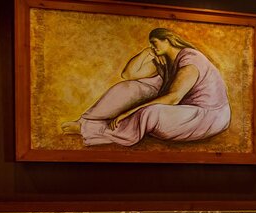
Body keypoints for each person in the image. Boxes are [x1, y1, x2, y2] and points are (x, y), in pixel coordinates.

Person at [61, 28, 230, 146]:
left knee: (150, 112)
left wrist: (128, 112)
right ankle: (86, 120)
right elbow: (128, 75)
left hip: (208, 117)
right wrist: (145, 53)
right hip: (182, 111)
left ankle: (91, 129)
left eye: (155, 42)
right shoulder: (166, 60)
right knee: (131, 88)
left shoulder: (191, 61)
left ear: (168, 40)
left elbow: (173, 98)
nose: (152, 46)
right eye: (150, 44)